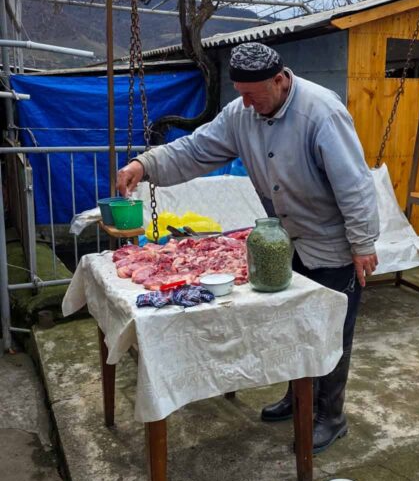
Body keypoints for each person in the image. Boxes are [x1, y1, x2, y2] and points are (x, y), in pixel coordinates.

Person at [117, 42, 379, 453]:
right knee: (294, 327)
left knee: (330, 331)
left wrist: (363, 243)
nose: (247, 103)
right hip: (285, 240)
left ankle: (331, 416)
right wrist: (145, 165)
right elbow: (196, 149)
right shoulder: (243, 112)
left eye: (254, 94)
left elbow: (355, 184)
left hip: (332, 241)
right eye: (240, 93)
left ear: (280, 80)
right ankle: (297, 399)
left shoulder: (320, 112)